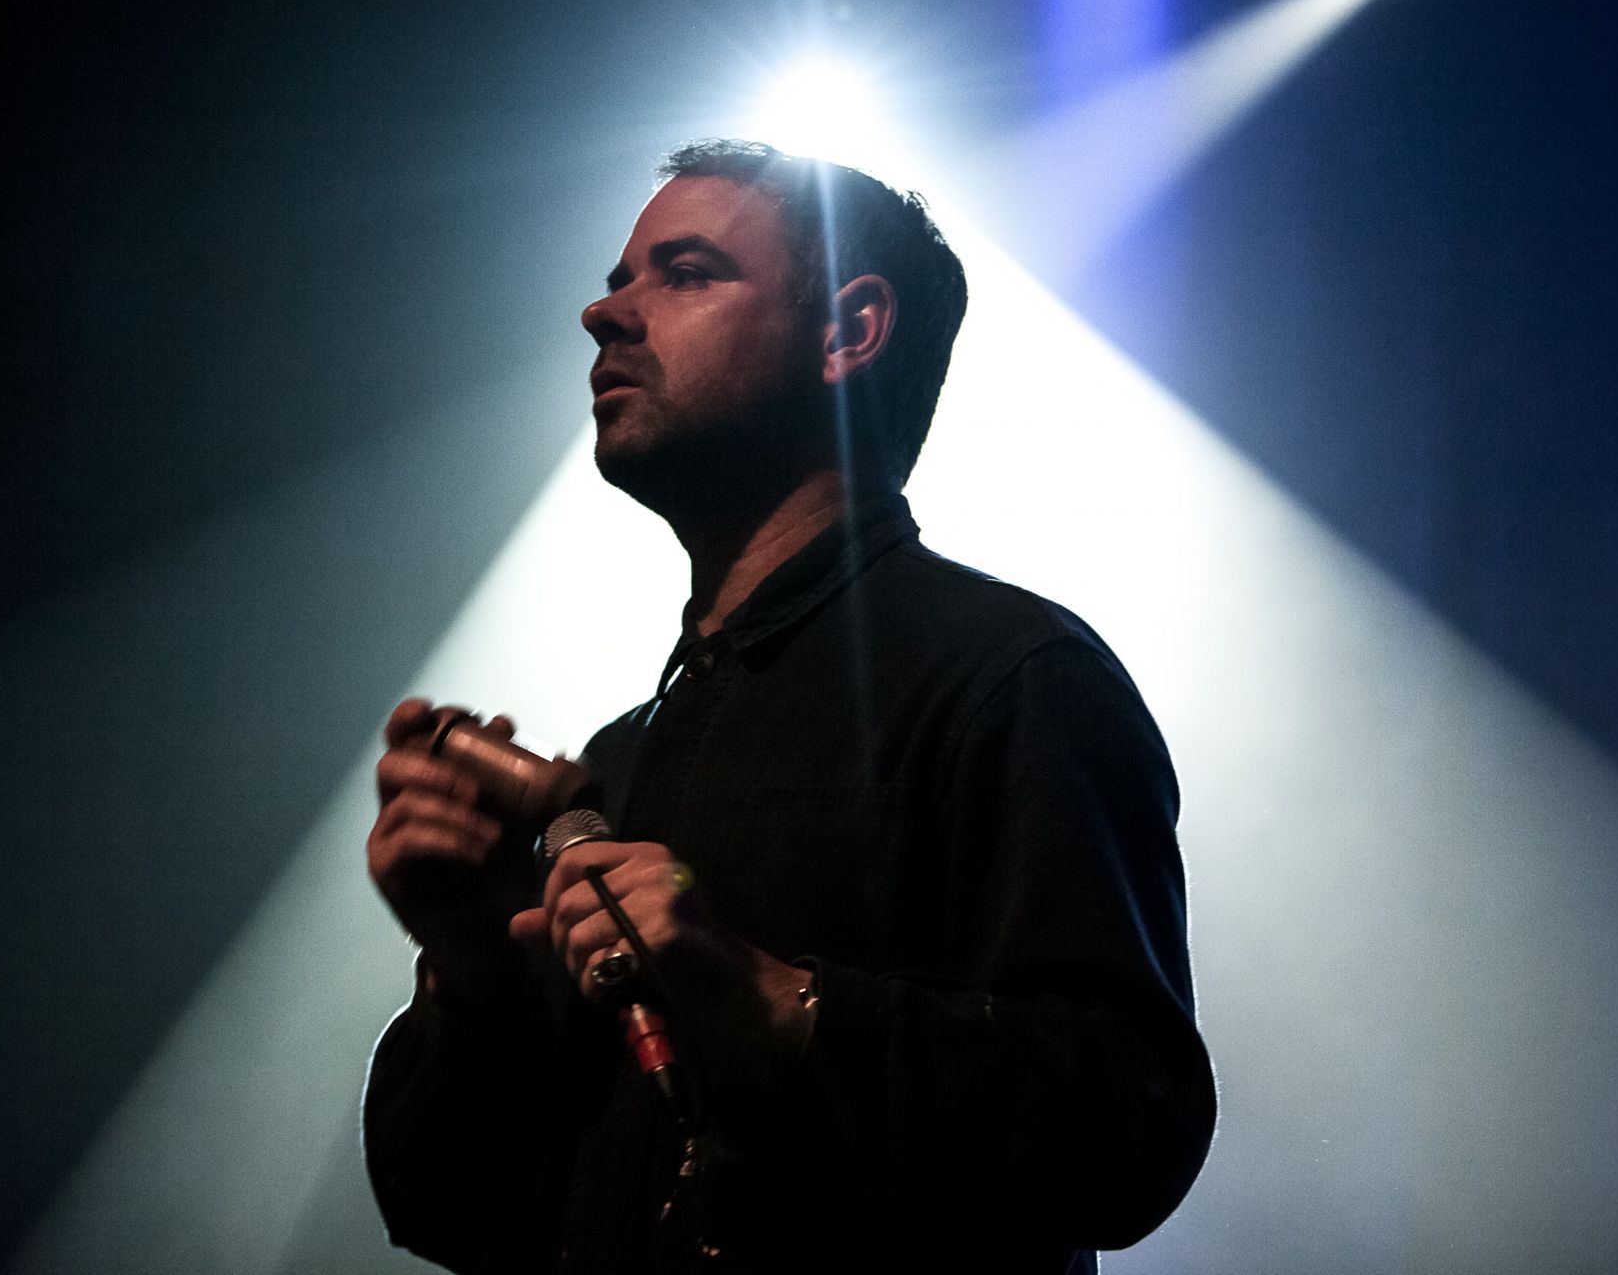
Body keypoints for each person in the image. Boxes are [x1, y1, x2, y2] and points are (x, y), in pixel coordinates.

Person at [362, 139, 1215, 1273]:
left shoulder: (1011, 676)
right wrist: (471, 966)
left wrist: (778, 1001)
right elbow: (452, 1213)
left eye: (686, 271)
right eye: (620, 278)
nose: (602, 313)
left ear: (849, 331)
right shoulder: (623, 762)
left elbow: (1131, 1127)